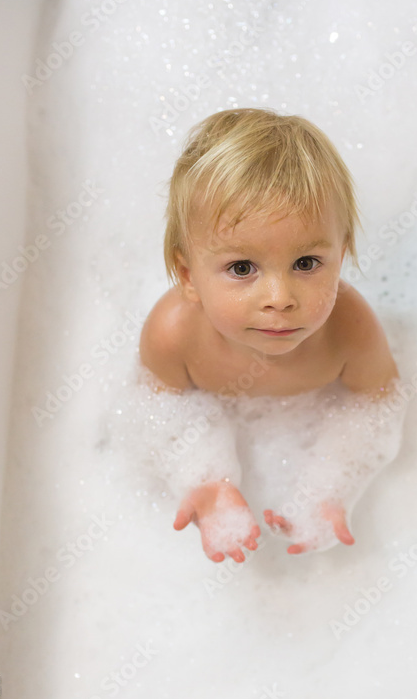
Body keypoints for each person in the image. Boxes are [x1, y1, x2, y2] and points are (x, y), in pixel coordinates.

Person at [138, 107, 403, 563]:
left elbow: (377, 399)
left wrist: (333, 486)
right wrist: (202, 477)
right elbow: (157, 412)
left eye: (306, 263)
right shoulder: (173, 336)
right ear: (188, 276)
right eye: (242, 268)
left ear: (340, 257)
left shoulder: (350, 330)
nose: (280, 298)